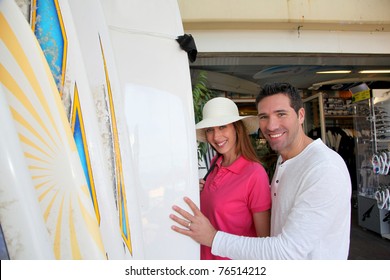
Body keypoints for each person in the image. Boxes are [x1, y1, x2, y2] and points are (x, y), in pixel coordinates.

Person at [170, 83, 352, 259]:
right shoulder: (285, 160)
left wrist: (212, 238)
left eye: (281, 114)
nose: (271, 126)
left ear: (301, 115)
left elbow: (287, 251)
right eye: (264, 116)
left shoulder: (324, 169)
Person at [193, 97, 271, 260]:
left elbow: (265, 244)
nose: (216, 136)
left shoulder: (254, 174)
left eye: (222, 127)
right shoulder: (215, 164)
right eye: (210, 129)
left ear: (237, 129)